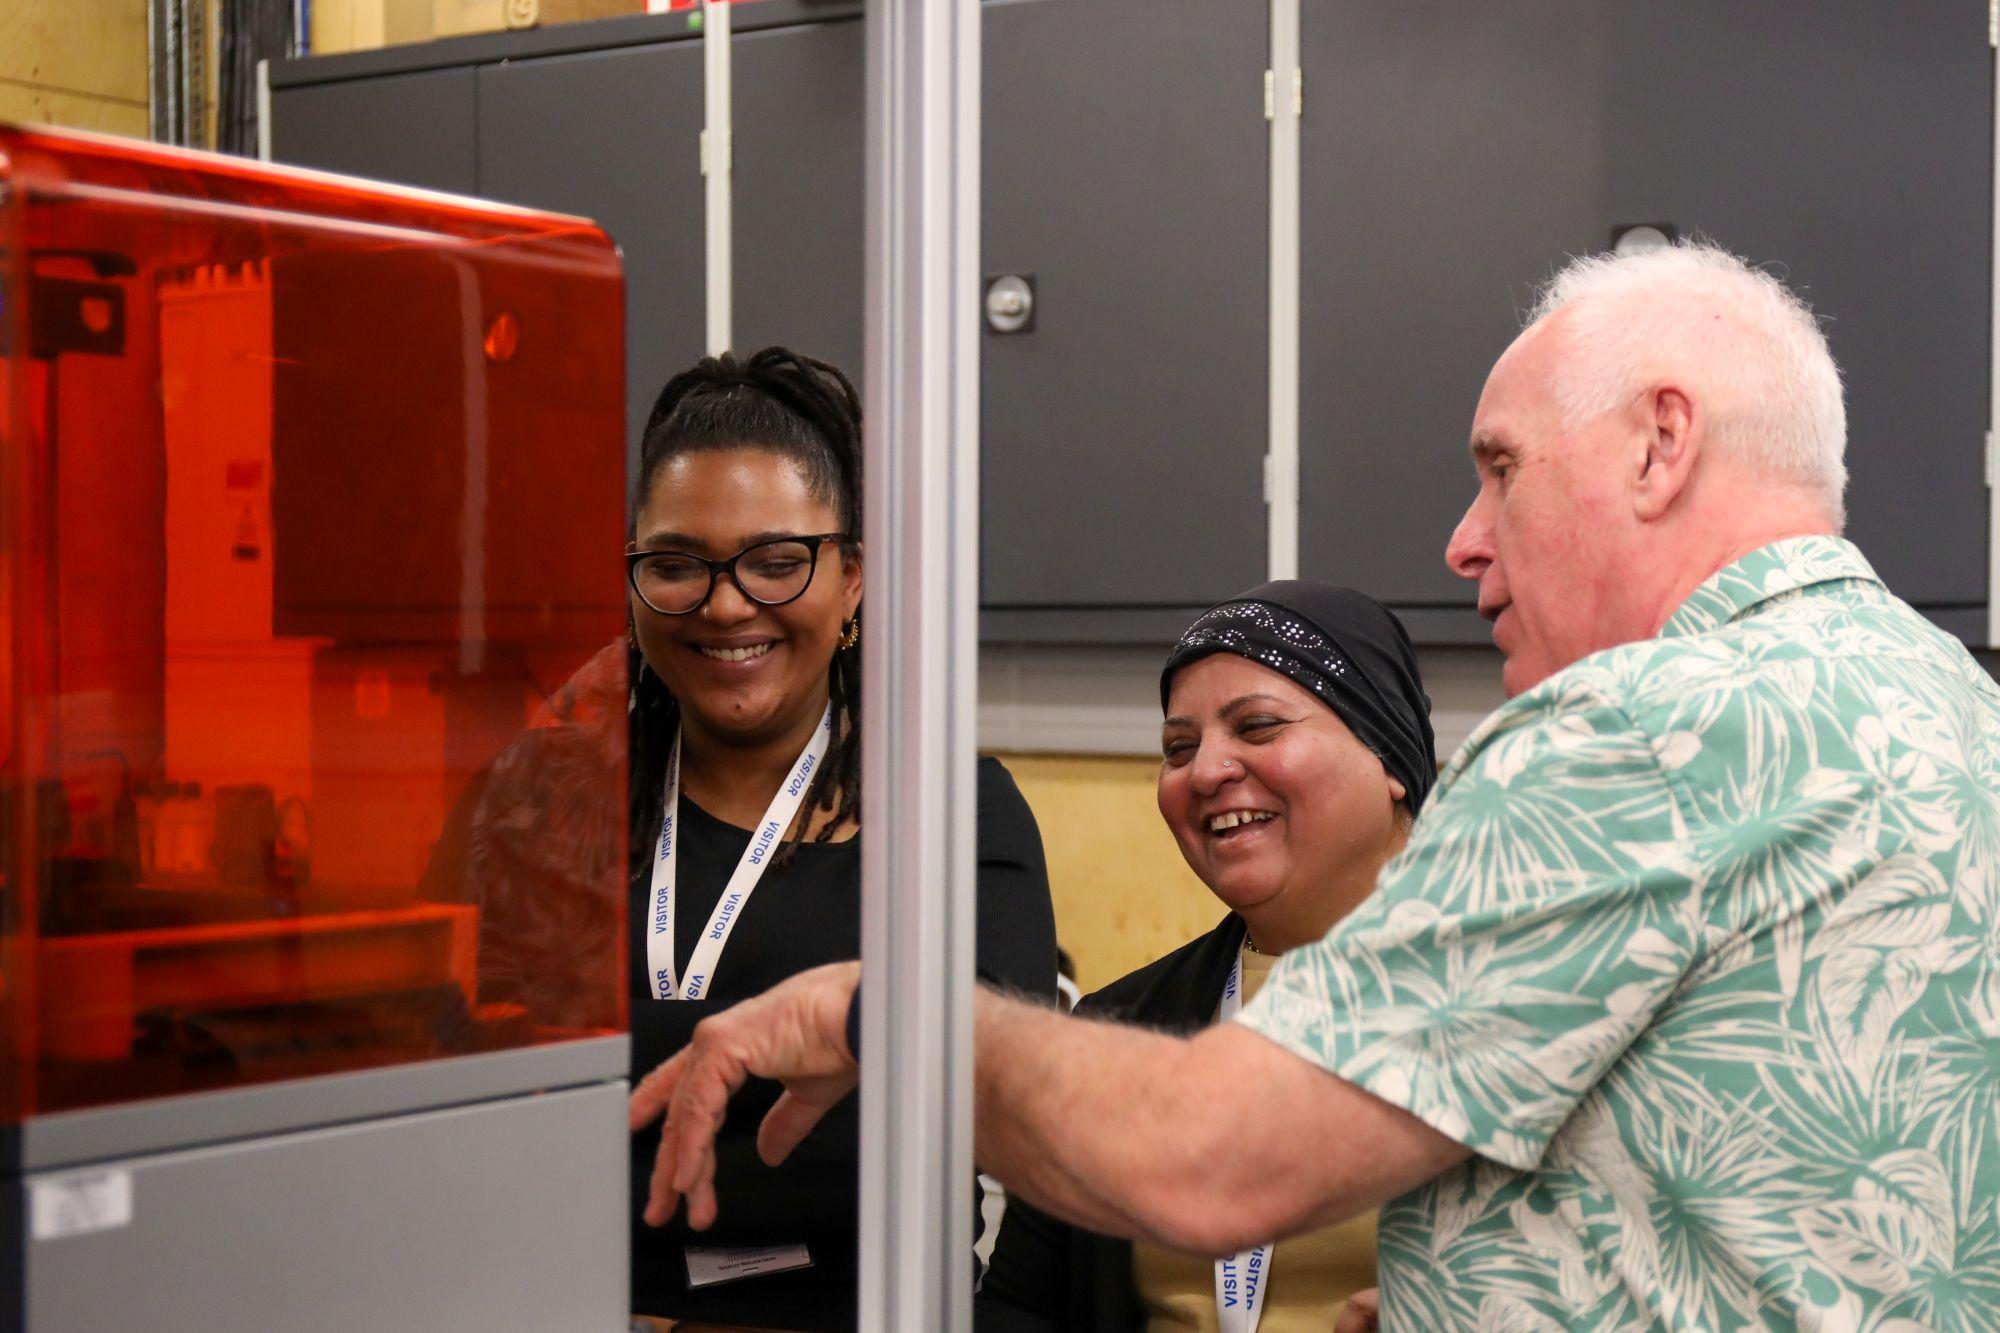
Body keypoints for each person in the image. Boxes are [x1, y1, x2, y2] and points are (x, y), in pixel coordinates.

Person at [632, 245, 2000, 1329]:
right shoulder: (1950, 703)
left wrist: (878, 1014)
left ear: (1661, 443)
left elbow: (1207, 1160)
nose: (1465, 540)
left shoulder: (1636, 731)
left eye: (1502, 469)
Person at [624, 347, 1057, 1330]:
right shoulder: (547, 808)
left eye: (777, 561)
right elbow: (458, 1105)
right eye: (676, 564)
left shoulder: (950, 820)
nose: (726, 602)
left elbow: (1009, 1120)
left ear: (852, 576)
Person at [977, 581, 1438, 1332]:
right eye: (1178, 748)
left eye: (1256, 726)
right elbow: (1021, 1306)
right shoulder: (1117, 1024)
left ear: (1388, 757)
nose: (1205, 770)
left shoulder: (1519, 996)